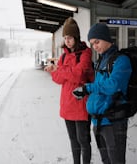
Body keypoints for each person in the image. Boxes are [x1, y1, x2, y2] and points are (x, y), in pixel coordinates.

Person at [72, 23, 132, 164]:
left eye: (97, 42)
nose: (95, 47)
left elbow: (113, 86)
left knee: (116, 160)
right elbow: (99, 87)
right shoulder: (100, 61)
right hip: (98, 121)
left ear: (107, 39)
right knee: (106, 160)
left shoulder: (121, 60)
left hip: (113, 121)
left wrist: (88, 88)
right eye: (92, 44)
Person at [44, 17, 94, 164]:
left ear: (76, 37)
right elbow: (58, 79)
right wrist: (55, 71)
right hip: (67, 104)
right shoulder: (64, 56)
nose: (67, 40)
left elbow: (79, 75)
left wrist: (60, 69)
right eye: (65, 38)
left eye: (70, 37)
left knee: (83, 140)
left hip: (81, 103)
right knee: (73, 140)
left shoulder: (85, 53)